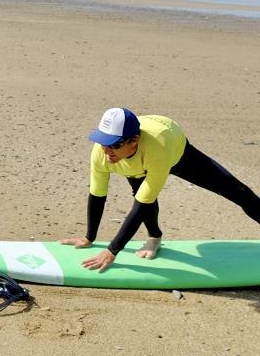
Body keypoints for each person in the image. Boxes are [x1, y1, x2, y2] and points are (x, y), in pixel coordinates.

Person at [61, 107, 260, 272]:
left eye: (113, 144)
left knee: (237, 191)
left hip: (174, 149)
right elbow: (97, 195)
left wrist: (112, 251)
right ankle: (154, 238)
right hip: (137, 160)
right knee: (141, 191)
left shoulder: (158, 148)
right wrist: (90, 237)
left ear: (134, 140)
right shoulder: (102, 153)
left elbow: (141, 204)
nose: (106, 151)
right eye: (103, 142)